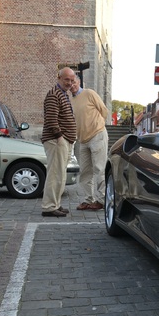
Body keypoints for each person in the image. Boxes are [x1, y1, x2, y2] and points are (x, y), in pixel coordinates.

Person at [40, 67, 78, 217]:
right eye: (66, 79)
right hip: (56, 140)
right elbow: (51, 119)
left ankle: (55, 204)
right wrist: (60, 137)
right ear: (59, 78)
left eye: (71, 80)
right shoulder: (53, 95)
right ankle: (49, 207)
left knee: (60, 174)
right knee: (55, 174)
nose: (69, 83)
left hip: (64, 140)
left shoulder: (63, 94)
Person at [70, 76, 109, 211]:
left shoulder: (89, 93)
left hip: (97, 136)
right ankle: (88, 200)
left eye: (74, 82)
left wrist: (98, 125)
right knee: (86, 171)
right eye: (69, 82)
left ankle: (102, 200)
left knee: (99, 169)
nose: (72, 85)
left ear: (79, 82)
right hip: (82, 140)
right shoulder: (71, 100)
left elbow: (103, 110)